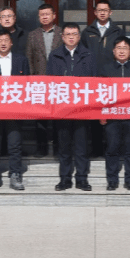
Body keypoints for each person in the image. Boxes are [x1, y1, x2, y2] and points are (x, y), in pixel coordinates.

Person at [46, 22, 96, 192]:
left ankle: (82, 179)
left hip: (82, 108)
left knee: (81, 147)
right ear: (62, 37)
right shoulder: (55, 55)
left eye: (74, 34)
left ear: (79, 36)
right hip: (62, 109)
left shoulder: (88, 55)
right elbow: (49, 81)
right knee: (64, 146)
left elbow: (94, 82)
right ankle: (65, 179)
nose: (71, 37)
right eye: (68, 34)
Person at [0, 29, 30, 191]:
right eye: (0, 41)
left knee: (15, 144)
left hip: (14, 108)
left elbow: (27, 83)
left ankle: (15, 174)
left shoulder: (21, 60)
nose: (3, 43)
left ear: (11, 42)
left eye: (6, 40)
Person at [98, 36, 130, 191]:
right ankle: (112, 180)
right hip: (112, 116)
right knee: (112, 149)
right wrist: (102, 113)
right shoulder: (106, 69)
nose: (122, 51)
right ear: (113, 50)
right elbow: (101, 93)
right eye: (119, 48)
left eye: (125, 48)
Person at [82, 0, 124, 159]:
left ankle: (113, 148)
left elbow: (123, 53)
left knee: (112, 114)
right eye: (99, 10)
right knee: (95, 115)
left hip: (112, 79)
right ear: (95, 12)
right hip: (93, 79)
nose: (102, 13)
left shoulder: (117, 31)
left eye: (105, 10)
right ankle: (97, 148)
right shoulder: (87, 32)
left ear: (110, 12)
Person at [25, 3, 63, 157]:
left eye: (47, 14)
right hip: (39, 82)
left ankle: (59, 147)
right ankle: (41, 148)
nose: (45, 17)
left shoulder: (62, 33)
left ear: (54, 16)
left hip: (59, 82)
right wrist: (31, 79)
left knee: (59, 116)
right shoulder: (32, 35)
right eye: (42, 15)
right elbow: (29, 58)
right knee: (40, 117)